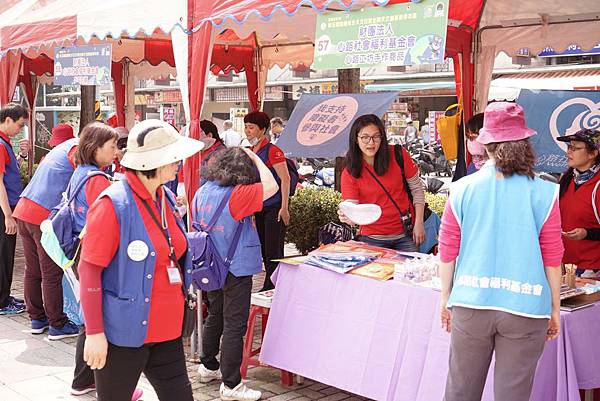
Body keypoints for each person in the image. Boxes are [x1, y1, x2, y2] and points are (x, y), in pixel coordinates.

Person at [438, 102, 563, 401]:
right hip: (526, 306)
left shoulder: (462, 189)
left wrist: (446, 299)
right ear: (524, 143)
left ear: (486, 142)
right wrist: (554, 309)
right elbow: (553, 256)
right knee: (513, 395)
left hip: (471, 302)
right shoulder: (545, 192)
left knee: (460, 392)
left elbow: (447, 250)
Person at [79, 120, 203, 401]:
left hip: (167, 330)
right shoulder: (113, 204)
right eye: (174, 158)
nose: (178, 164)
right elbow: (89, 271)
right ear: (154, 162)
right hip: (124, 333)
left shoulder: (165, 197)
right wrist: (95, 333)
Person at [64, 122, 143, 399]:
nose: (116, 153)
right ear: (94, 148)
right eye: (111, 148)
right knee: (100, 322)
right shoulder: (96, 179)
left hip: (83, 250)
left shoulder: (81, 173)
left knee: (90, 320)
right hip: (96, 253)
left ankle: (82, 380)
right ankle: (106, 384)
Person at [193, 147, 278, 401]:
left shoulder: (203, 190)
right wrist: (254, 158)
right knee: (234, 325)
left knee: (216, 314)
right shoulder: (239, 193)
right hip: (235, 267)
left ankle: (208, 366)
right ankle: (231, 385)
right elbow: (271, 186)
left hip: (209, 264)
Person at [14, 122, 81, 337]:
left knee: (33, 270)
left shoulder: (55, 152)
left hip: (25, 209)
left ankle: (37, 319)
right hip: (42, 216)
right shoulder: (75, 147)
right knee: (51, 273)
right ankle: (57, 324)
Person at [338, 114, 425, 251]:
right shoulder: (350, 172)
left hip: (405, 235)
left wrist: (419, 224)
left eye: (376, 137)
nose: (371, 143)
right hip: (371, 239)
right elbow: (353, 209)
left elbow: (417, 189)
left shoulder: (398, 154)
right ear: (356, 139)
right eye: (365, 137)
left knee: (409, 272)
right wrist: (348, 216)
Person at [245, 111, 290, 291]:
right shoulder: (250, 151)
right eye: (246, 127)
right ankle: (271, 283)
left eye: (251, 128)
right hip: (259, 207)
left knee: (273, 250)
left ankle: (274, 286)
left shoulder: (273, 151)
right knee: (264, 249)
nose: (247, 131)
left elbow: (285, 179)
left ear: (262, 130)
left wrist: (284, 207)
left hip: (275, 207)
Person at [557, 129, 600, 276]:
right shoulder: (566, 179)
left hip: (592, 269)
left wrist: (587, 233)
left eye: (575, 148)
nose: (569, 151)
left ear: (593, 154)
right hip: (564, 264)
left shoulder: (597, 185)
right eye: (569, 146)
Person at [0, 103, 28, 315]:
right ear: (8, 120)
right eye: (19, 125)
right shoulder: (1, 145)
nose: (20, 129)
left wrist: (22, 156)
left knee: (6, 254)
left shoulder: (5, 144)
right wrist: (8, 216)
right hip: (4, 208)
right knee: (3, 255)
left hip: (7, 206)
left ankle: (5, 296)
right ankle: (2, 301)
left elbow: (8, 172)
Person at [199, 120, 226, 187]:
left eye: (198, 137)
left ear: (209, 135)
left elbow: (206, 179)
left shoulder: (220, 153)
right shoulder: (203, 151)